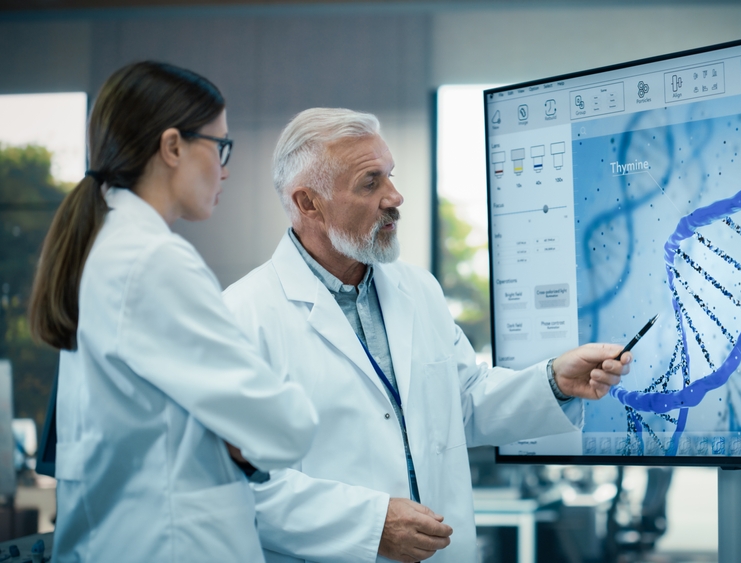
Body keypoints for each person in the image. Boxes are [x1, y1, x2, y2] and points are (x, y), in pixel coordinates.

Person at [222, 107, 631, 563]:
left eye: (390, 177)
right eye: (370, 182)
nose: (395, 197)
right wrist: (370, 525)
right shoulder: (244, 316)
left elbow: (462, 400)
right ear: (308, 203)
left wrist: (554, 381)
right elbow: (238, 487)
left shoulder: (417, 290)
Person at [27, 62, 319, 563]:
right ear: (172, 146)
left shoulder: (108, 244)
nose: (225, 167)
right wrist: (245, 425)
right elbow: (282, 426)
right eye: (220, 145)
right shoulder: (151, 260)